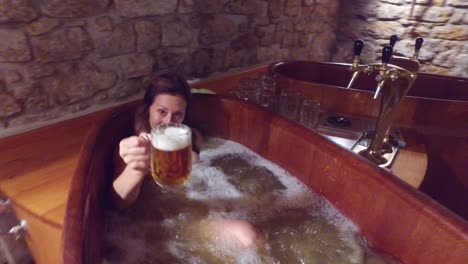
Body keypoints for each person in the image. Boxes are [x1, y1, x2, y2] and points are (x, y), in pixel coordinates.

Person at [111, 72, 259, 252]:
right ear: (147, 108)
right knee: (245, 233)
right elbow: (117, 203)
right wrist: (137, 169)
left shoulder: (190, 136)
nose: (168, 122)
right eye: (161, 111)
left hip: (204, 205)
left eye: (177, 114)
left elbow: (201, 152)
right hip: (164, 221)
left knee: (249, 231)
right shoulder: (134, 148)